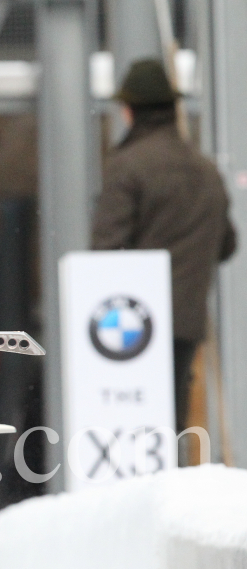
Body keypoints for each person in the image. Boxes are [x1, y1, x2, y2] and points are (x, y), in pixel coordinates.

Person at [92, 58, 237, 431]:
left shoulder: (127, 165)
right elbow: (227, 245)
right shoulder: (205, 170)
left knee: (132, 426)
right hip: (185, 320)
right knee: (169, 421)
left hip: (128, 324)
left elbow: (106, 250)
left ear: (129, 111)